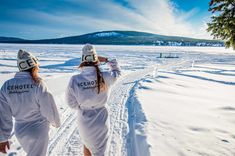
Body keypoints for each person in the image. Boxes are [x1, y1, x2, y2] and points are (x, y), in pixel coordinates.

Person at [0, 49, 61, 155]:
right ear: (33, 66)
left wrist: (3, 138)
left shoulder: (6, 86)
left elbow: (3, 114)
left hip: (21, 132)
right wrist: (55, 122)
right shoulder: (38, 83)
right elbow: (48, 107)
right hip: (39, 130)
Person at [66, 44, 121, 156]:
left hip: (84, 120)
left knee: (87, 144)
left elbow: (71, 103)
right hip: (101, 119)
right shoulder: (105, 76)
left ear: (82, 60)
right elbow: (117, 72)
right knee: (99, 151)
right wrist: (107, 60)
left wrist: (85, 107)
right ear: (96, 59)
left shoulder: (75, 80)